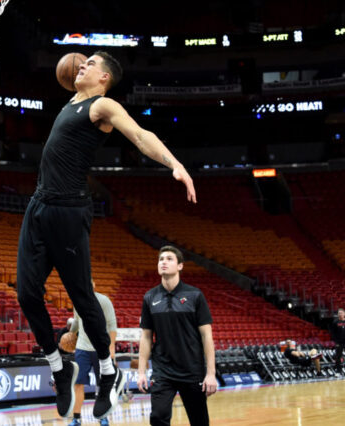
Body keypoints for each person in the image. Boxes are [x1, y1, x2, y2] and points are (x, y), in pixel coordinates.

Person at [16, 50, 197, 420]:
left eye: (92, 64)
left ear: (104, 79)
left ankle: (109, 371)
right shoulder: (72, 99)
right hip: (38, 206)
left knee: (83, 298)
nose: (83, 64)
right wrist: (74, 71)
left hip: (69, 209)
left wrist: (175, 164)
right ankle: (58, 366)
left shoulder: (103, 106)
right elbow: (72, 72)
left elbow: (140, 134)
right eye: (82, 62)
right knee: (26, 292)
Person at [137, 246, 216, 426]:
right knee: (157, 417)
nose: (163, 262)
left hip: (192, 370)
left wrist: (210, 374)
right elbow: (146, 337)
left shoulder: (195, 295)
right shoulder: (149, 297)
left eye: (169, 259)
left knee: (200, 421)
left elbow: (207, 336)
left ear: (180, 266)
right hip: (163, 371)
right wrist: (141, 372)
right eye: (161, 259)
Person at [68, 280, 124, 426]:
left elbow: (112, 325)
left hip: (101, 349)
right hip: (82, 349)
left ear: (93, 287)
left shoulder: (104, 301)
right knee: (78, 384)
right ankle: (76, 418)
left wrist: (111, 348)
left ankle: (102, 416)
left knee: (103, 386)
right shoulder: (77, 302)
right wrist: (70, 334)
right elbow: (76, 321)